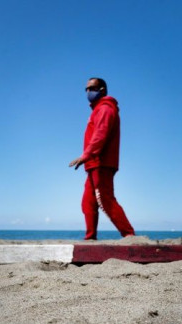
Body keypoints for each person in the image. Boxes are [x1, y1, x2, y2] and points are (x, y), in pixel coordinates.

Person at [69, 77, 135, 240]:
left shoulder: (105, 109)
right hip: (93, 163)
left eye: (91, 88)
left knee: (105, 200)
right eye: (86, 89)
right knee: (88, 202)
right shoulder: (98, 109)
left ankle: (130, 236)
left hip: (101, 162)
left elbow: (101, 135)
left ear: (102, 90)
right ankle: (90, 237)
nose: (88, 92)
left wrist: (86, 155)